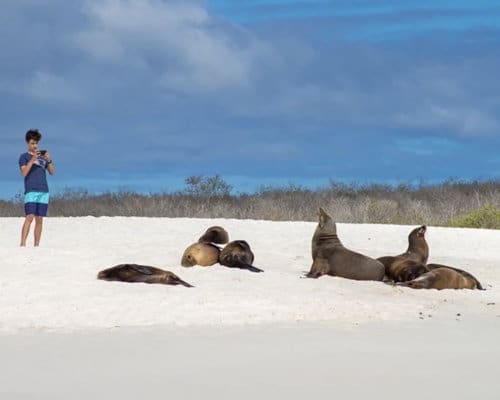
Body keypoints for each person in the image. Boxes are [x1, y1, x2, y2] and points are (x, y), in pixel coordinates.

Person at [19, 129, 55, 246]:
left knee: (39, 218)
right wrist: (32, 160)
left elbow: (52, 172)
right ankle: (23, 244)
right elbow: (23, 173)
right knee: (29, 216)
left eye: (36, 143)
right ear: (27, 143)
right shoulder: (23, 157)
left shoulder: (42, 157)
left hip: (44, 190)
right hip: (31, 190)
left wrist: (48, 160)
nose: (35, 146)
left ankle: (36, 245)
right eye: (32, 143)